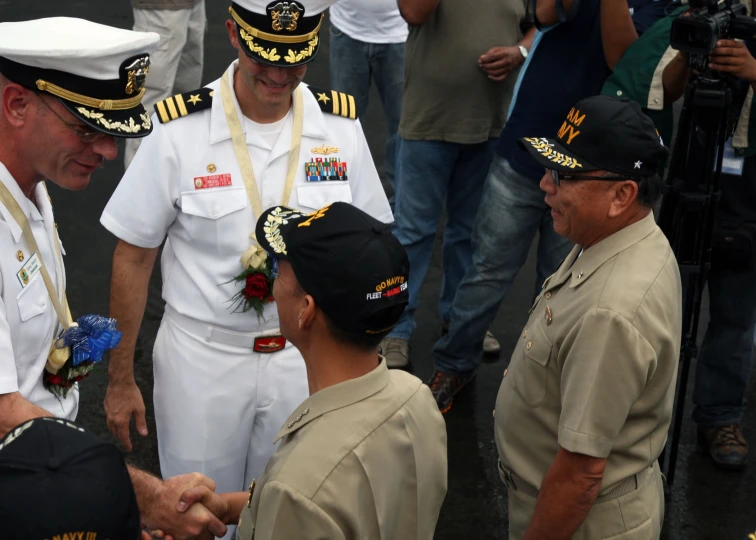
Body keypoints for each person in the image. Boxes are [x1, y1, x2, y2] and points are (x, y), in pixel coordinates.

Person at [101, 2, 392, 537]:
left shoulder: (340, 126)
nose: (280, 76)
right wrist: (120, 379)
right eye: (266, 58)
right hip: (202, 365)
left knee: (292, 516)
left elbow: (367, 248)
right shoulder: (178, 130)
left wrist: (365, 371)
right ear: (234, 35)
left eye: (295, 60)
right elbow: (134, 253)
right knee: (194, 517)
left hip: (305, 364)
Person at [0, 17, 227, 539]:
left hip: (44, 467)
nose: (106, 150)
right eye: (86, 128)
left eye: (111, 130)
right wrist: (140, 498)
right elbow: (5, 410)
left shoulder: (29, 178)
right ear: (16, 105)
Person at [427, 0, 670, 412]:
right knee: (487, 269)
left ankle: (538, 384)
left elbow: (623, 58)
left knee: (565, 284)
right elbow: (543, 13)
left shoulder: (660, 6)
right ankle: (453, 363)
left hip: (593, 175)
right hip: (530, 147)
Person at [176, 202, 448, 539]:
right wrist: (232, 506)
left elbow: (307, 498)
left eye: (279, 271)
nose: (274, 285)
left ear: (306, 311)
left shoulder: (297, 485)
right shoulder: (417, 397)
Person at [495, 96, 680, 539]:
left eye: (563, 175)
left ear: (622, 194)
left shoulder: (610, 312)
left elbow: (580, 475)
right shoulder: (617, 235)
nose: (545, 185)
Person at [602, 7, 756, 470]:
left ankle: (720, 416)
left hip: (748, 191)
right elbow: (661, 93)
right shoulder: (708, 11)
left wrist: (751, 70)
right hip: (689, 174)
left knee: (734, 313)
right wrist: (691, 58)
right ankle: (640, 416)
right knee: (662, 307)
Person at [379, 0, 534, 370]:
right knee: (413, 231)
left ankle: (461, 322)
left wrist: (520, 51)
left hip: (490, 122)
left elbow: (539, 21)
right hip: (428, 121)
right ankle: (396, 328)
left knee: (469, 232)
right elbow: (414, 12)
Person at [328, 0, 407, 210]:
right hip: (346, 29)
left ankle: (402, 205)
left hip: (400, 34)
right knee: (342, 121)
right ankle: (341, 201)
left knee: (404, 125)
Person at [124, 0, 207, 169]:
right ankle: (139, 190)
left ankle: (181, 180)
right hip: (158, 9)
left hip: (194, 4)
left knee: (187, 100)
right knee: (147, 107)